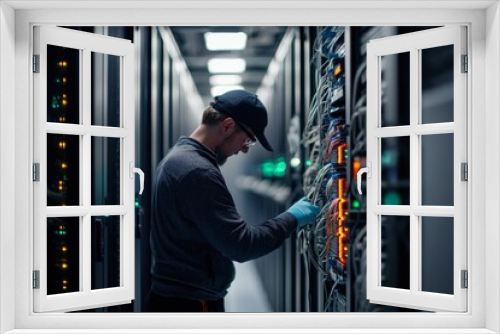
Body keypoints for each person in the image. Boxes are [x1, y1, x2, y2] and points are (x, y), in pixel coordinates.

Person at [147, 89, 319, 312]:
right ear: (227, 125)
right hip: (189, 304)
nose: (246, 149)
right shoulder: (197, 171)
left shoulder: (179, 157)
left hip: (180, 297)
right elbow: (242, 245)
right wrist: (292, 218)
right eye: (248, 139)